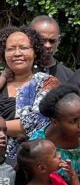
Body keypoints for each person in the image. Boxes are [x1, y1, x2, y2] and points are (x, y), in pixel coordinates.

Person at [0, 25, 60, 166]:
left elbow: (35, 122)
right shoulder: (1, 82)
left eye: (23, 48)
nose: (17, 53)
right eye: (10, 49)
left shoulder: (47, 82)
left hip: (31, 165)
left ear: (35, 53)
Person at [30, 15, 75, 81]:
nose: (48, 45)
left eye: (52, 41)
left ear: (59, 40)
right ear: (30, 38)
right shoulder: (18, 72)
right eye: (42, 40)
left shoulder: (69, 77)